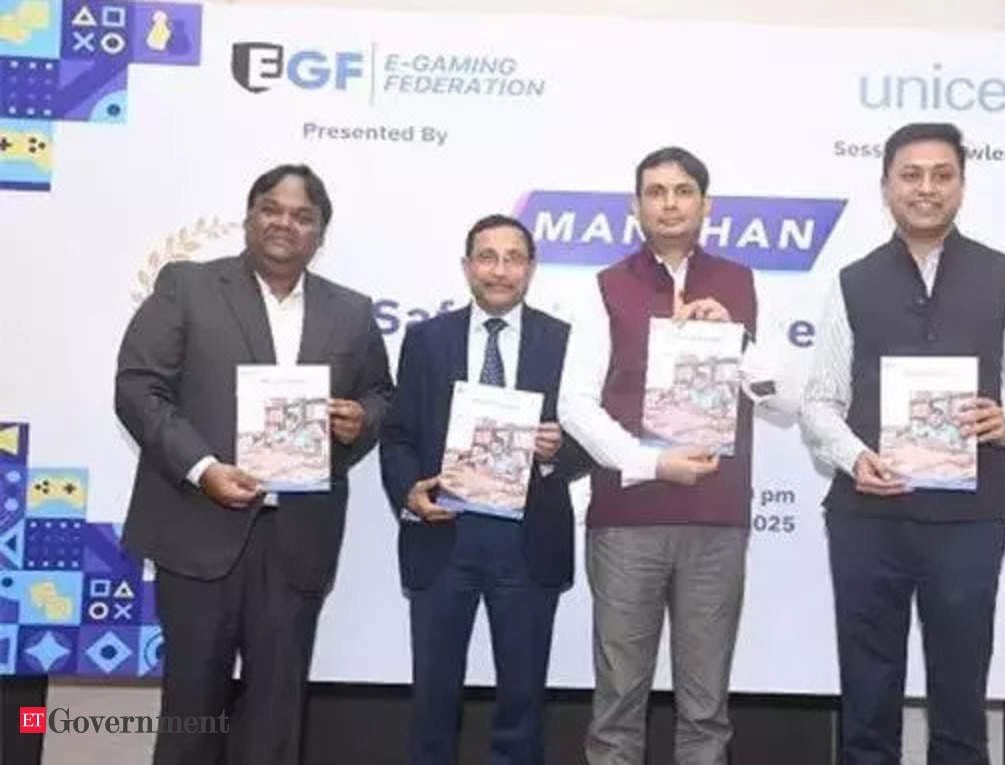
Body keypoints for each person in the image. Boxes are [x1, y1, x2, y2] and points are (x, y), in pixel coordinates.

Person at [114, 163, 394, 764]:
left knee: (275, 719)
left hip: (297, 539)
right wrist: (203, 468)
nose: (284, 223)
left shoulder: (350, 311)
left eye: (302, 216)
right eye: (271, 209)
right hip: (198, 528)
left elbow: (380, 395)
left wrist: (361, 420)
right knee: (193, 713)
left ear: (320, 233)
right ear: (249, 218)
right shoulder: (188, 286)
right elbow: (138, 389)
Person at [800, 122, 1005, 765]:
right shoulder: (852, 280)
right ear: (886, 186)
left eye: (942, 175)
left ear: (962, 186)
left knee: (961, 694)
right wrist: (853, 457)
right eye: (911, 175)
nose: (926, 188)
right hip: (868, 516)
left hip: (969, 519)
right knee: (867, 693)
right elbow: (820, 401)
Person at [558, 146, 788, 765]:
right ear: (636, 207)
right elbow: (575, 404)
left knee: (706, 709)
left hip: (716, 519)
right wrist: (651, 462)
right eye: (655, 192)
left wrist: (738, 340)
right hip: (627, 519)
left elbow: (786, 399)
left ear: (705, 205)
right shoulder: (605, 286)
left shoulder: (743, 283)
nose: (669, 203)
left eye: (683, 191)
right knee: (617, 708)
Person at [379, 214, 590, 765]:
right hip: (442, 535)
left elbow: (592, 439)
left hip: (527, 543)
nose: (500, 271)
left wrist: (557, 451)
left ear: (531, 268)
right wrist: (409, 493)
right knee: (432, 697)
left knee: (523, 700)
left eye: (513, 258)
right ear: (467, 266)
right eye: (487, 257)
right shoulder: (426, 340)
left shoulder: (564, 342)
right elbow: (397, 435)